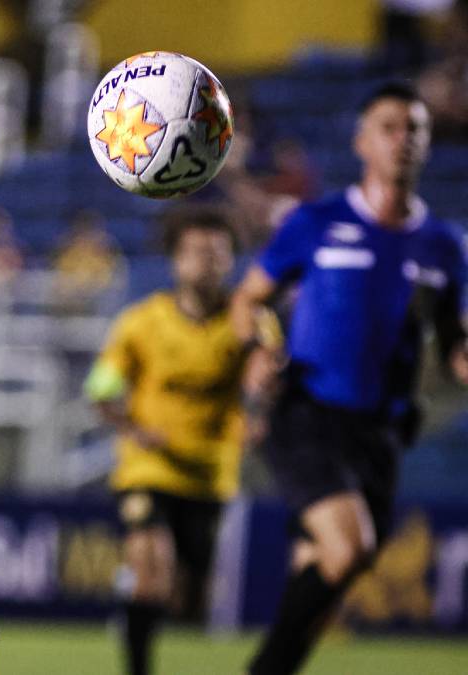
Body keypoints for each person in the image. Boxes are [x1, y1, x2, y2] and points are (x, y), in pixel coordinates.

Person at [232, 81, 468, 675]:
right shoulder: (315, 222)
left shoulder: (444, 246)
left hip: (383, 430)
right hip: (307, 413)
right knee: (351, 547)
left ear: (428, 143)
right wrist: (261, 348)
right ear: (363, 141)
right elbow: (249, 301)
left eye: (414, 128)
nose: (403, 139)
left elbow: (454, 345)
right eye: (389, 127)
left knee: (326, 580)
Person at [84, 206, 249, 675]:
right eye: (197, 252)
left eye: (218, 253)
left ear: (232, 261)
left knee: (187, 600)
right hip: (148, 467)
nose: (208, 262)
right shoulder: (141, 322)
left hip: (211, 473)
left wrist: (263, 408)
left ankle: (132, 605)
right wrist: (135, 430)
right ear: (176, 261)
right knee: (152, 575)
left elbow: (264, 379)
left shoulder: (245, 323)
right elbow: (100, 389)